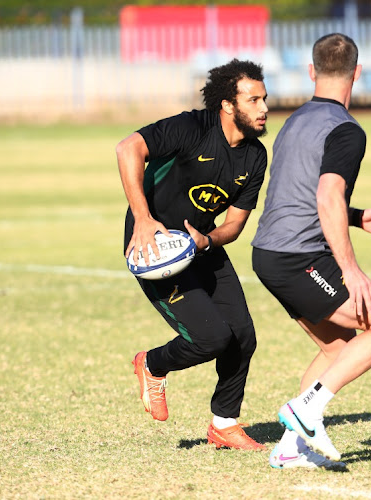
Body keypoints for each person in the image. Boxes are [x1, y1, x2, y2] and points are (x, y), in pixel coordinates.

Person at [251, 33, 371, 469]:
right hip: (298, 258)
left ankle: (289, 449)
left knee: (337, 349)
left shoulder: (295, 120)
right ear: (358, 73)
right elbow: (325, 196)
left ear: (310, 72)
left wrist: (358, 217)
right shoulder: (346, 129)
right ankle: (306, 410)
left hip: (268, 254)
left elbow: (298, 193)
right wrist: (351, 269)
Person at [116, 59, 269, 451]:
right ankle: (152, 364)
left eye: (264, 99)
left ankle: (224, 424)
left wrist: (206, 241)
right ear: (227, 105)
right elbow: (128, 147)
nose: (263, 108)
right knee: (212, 338)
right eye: (253, 100)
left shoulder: (254, 157)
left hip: (200, 246)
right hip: (153, 248)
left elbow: (233, 225)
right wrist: (144, 218)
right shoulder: (192, 128)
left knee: (242, 337)